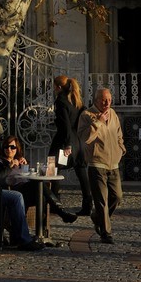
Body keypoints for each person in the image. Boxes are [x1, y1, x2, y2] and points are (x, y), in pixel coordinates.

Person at [77, 87, 125, 244]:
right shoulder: (86, 115)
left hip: (113, 164)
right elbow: (85, 138)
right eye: (104, 100)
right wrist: (98, 122)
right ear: (96, 100)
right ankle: (106, 233)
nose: (107, 103)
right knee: (101, 201)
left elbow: (118, 133)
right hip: (97, 163)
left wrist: (121, 148)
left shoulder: (113, 114)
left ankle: (97, 217)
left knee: (117, 197)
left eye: (109, 100)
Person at [52, 74, 92, 217]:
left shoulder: (61, 101)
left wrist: (67, 145)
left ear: (58, 87)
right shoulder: (76, 100)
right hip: (79, 142)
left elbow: (65, 125)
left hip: (65, 141)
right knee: (81, 171)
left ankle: (54, 203)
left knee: (53, 168)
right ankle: (88, 205)